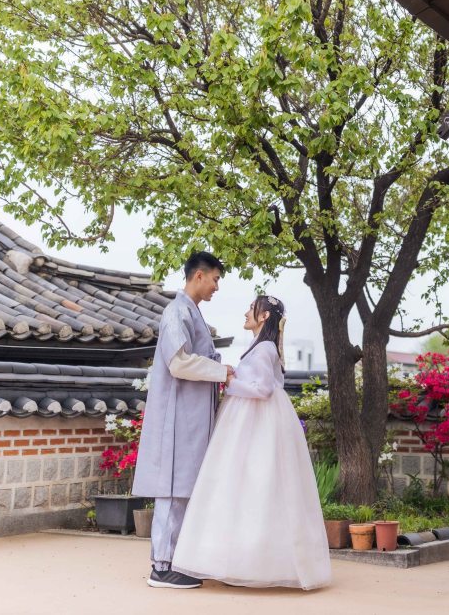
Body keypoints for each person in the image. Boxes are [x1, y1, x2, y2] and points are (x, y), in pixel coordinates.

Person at [171, 295, 332, 590]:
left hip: (255, 422)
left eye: (251, 309)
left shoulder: (264, 349)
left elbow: (263, 389)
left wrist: (229, 382)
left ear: (264, 316)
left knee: (250, 487)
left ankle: (247, 565)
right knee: (248, 490)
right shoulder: (262, 347)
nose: (246, 313)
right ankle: (243, 563)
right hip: (251, 420)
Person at [131, 252, 235, 589]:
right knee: (173, 489)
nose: (217, 286)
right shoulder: (176, 312)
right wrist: (220, 370)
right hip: (178, 415)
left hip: (191, 414)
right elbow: (179, 362)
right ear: (199, 275)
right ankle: (162, 567)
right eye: (215, 279)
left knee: (185, 488)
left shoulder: (192, 312)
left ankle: (176, 560)